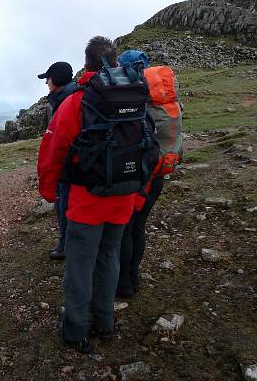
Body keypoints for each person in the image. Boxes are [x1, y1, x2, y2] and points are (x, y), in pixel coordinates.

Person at [37, 37, 144, 353]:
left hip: (87, 200)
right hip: (124, 196)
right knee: (108, 257)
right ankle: (104, 324)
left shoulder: (78, 103)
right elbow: (147, 149)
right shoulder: (136, 97)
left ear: (86, 65)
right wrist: (137, 195)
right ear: (115, 62)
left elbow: (52, 151)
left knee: (80, 264)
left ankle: (75, 331)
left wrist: (48, 190)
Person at [116, 50, 183, 298]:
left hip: (138, 178)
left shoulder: (136, 99)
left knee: (125, 229)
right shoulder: (165, 98)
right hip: (157, 176)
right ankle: (134, 274)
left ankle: (123, 283)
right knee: (138, 227)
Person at [37, 61, 77, 260]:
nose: (46, 83)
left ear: (57, 80)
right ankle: (67, 243)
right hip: (72, 164)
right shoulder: (67, 96)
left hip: (68, 166)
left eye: (48, 79)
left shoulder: (66, 100)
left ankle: (66, 246)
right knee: (65, 204)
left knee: (64, 205)